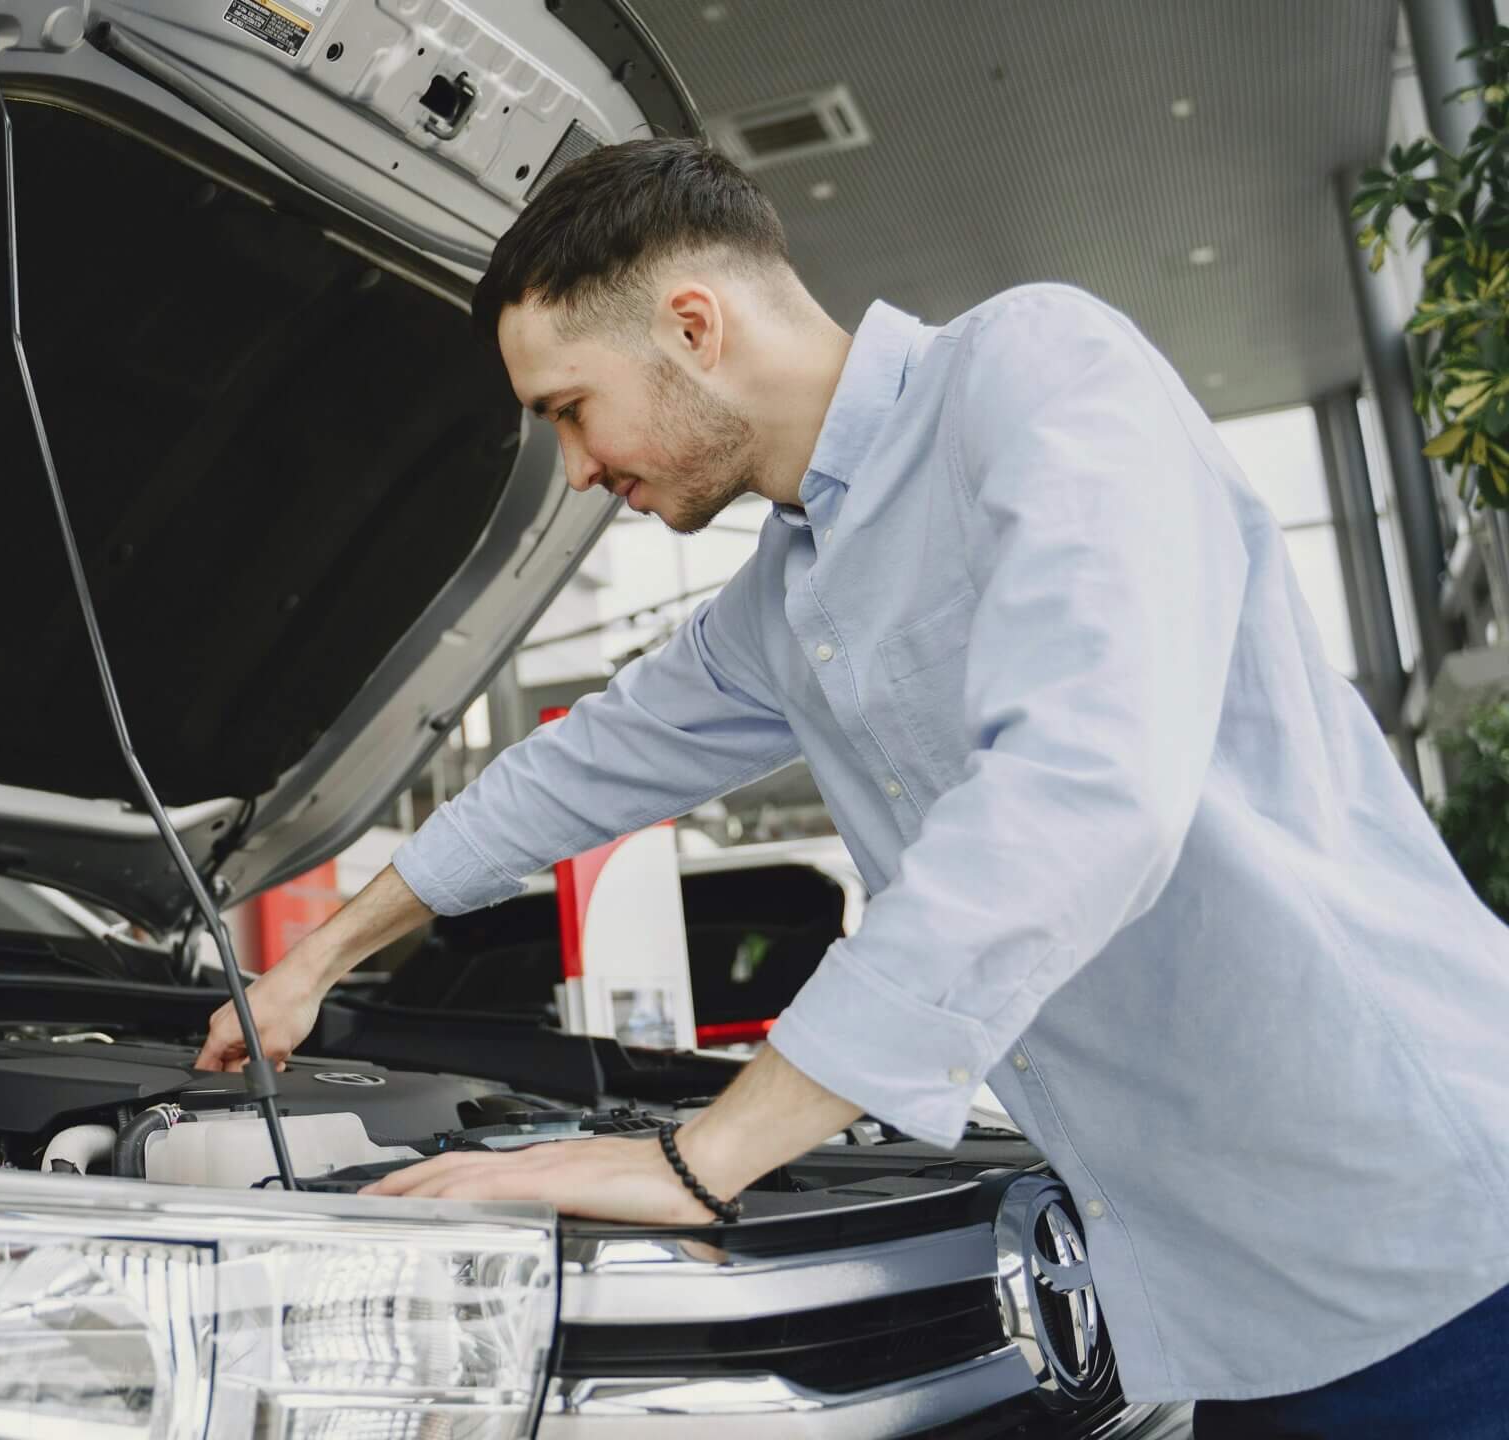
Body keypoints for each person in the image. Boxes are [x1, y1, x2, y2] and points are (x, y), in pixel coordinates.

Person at [192, 138, 1509, 1429]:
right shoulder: (787, 593)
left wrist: (697, 1159)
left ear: (694, 327)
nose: (579, 469)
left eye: (568, 410)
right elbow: (579, 767)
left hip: (1431, 1248)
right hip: (1222, 1306)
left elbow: (1082, 799)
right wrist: (320, 957)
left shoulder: (1039, 372)